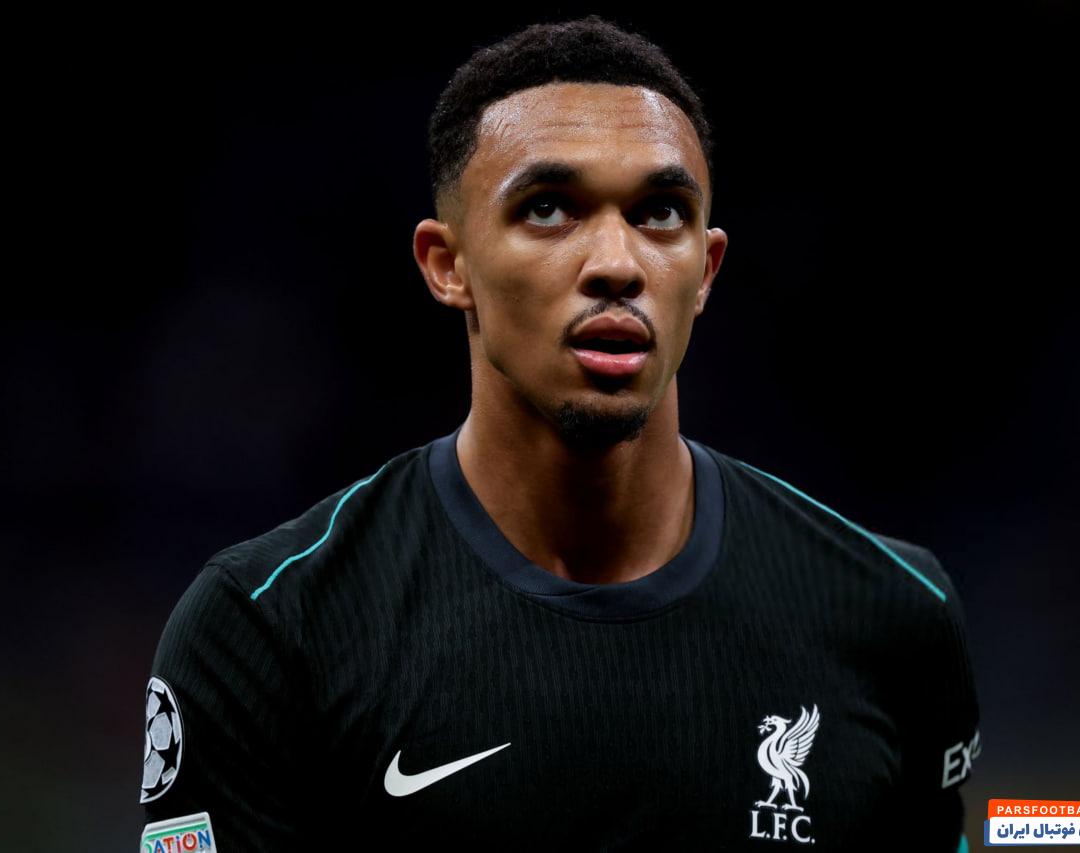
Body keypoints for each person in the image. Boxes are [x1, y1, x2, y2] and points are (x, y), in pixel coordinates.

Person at [139, 15, 981, 850]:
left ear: (705, 269)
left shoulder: (893, 612)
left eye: (661, 212)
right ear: (447, 264)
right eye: (548, 209)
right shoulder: (267, 630)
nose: (617, 262)